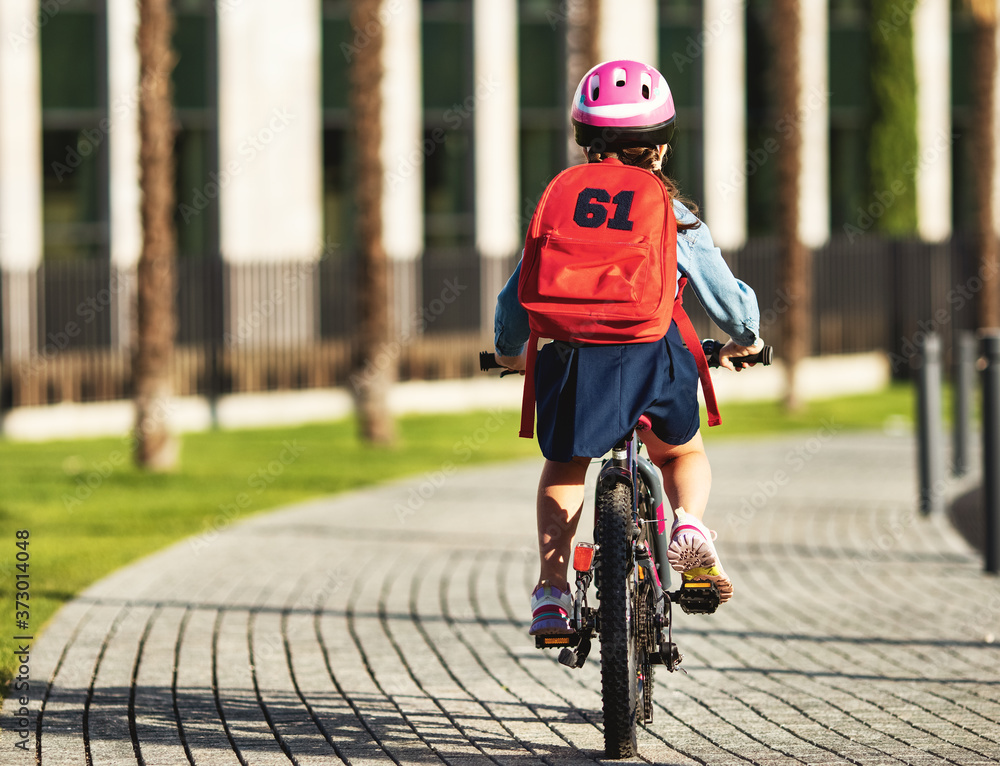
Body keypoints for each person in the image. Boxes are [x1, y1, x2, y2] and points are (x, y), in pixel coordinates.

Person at [493, 60, 764, 636]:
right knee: (679, 454)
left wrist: (508, 349)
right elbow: (726, 304)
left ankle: (552, 591)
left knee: (565, 465)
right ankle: (687, 526)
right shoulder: (673, 213)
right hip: (652, 355)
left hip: (570, 361)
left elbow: (517, 300)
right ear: (660, 149)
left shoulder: (561, 205)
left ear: (585, 142)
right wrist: (747, 339)